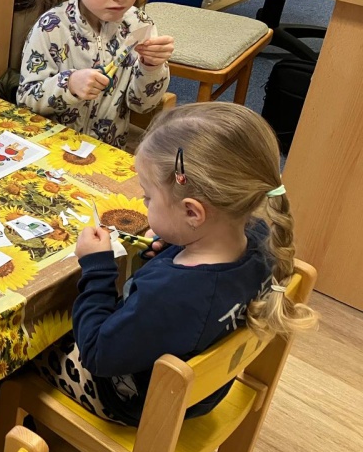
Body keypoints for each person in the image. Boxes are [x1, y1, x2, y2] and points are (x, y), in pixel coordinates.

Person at [33, 104, 316, 426]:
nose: (144, 203)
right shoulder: (261, 239)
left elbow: (97, 354)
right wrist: (176, 246)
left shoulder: (171, 294)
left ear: (192, 212)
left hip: (130, 399)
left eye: (148, 197)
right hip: (203, 392)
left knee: (35, 336)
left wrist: (97, 268)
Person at [15, 0, 176, 149]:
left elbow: (142, 104)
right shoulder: (51, 29)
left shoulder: (140, 26)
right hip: (50, 150)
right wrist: (69, 84)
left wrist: (152, 67)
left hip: (106, 153)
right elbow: (25, 100)